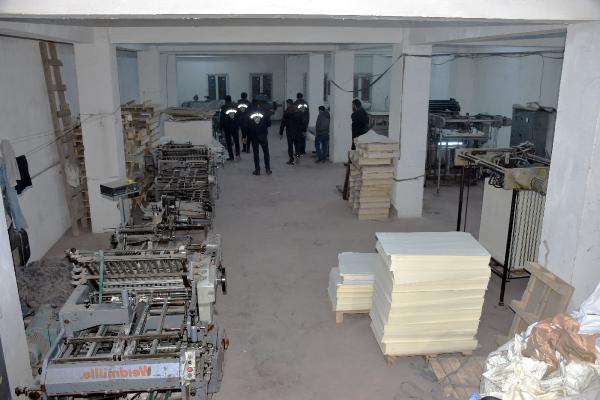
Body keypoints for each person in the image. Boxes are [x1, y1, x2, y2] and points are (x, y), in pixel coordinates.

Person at [247, 99, 272, 176]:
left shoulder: (249, 113)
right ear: (259, 104)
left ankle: (257, 170)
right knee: (266, 152)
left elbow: (247, 125)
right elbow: (269, 123)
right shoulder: (264, 112)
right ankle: (268, 169)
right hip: (263, 135)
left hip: (254, 135)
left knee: (256, 153)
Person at [219, 95, 241, 161]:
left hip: (227, 127)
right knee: (236, 141)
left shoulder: (223, 107)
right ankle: (238, 155)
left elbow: (222, 118)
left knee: (228, 142)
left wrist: (220, 127)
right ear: (231, 99)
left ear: (225, 100)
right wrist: (238, 125)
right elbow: (239, 116)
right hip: (235, 126)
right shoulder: (236, 106)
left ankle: (231, 157)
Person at [279, 99, 297, 165]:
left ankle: (291, 160)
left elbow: (283, 123)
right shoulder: (297, 111)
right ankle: (297, 157)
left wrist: (281, 132)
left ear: (289, 104)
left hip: (289, 131)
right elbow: (301, 121)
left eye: (287, 104)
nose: (287, 105)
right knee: (297, 145)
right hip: (297, 131)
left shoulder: (286, 112)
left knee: (290, 146)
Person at [292, 92, 309, 157]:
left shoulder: (295, 103)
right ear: (302, 96)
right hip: (304, 123)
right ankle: (303, 151)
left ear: (297, 97)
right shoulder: (306, 103)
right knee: (303, 137)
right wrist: (306, 123)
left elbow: (294, 113)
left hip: (297, 124)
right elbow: (307, 114)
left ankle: (298, 151)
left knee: (297, 138)